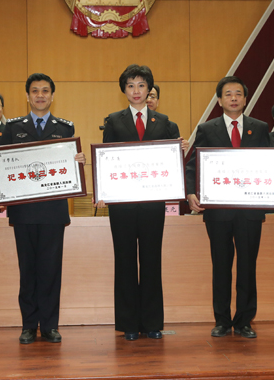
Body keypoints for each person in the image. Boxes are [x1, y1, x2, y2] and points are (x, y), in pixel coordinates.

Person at [0, 73, 85, 344]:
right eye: (35, 91)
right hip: (24, 212)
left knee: (51, 271)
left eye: (45, 91)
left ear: (52, 95)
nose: (40, 95)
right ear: (27, 96)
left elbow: (68, 168)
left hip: (53, 212)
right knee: (27, 270)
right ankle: (29, 325)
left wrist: (78, 162)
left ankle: (50, 325)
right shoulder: (11, 128)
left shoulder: (65, 128)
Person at [186, 76, 274, 339]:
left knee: (247, 266)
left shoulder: (260, 127)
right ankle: (221, 320)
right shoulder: (207, 128)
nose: (233, 98)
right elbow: (193, 164)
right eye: (228, 94)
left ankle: (244, 321)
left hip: (250, 211)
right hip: (218, 212)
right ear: (219, 100)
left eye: (238, 94)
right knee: (221, 266)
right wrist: (190, 192)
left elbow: (271, 162)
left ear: (245, 98)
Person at [96, 64, 185, 341]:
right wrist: (103, 190)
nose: (136, 91)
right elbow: (105, 159)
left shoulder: (165, 123)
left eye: (142, 85)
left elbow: (172, 165)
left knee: (151, 260)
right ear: (124, 90)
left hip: (152, 204)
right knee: (124, 260)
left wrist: (179, 151)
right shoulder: (113, 121)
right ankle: (129, 324)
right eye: (131, 85)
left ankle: (152, 323)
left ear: (149, 90)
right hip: (121, 205)